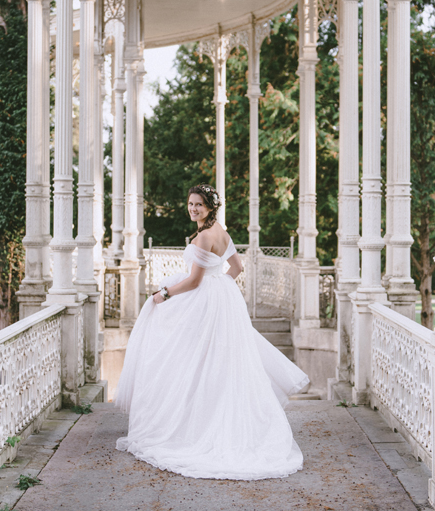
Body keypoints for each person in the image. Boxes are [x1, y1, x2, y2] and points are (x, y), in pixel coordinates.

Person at [114, 184, 310, 480]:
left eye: (199, 205)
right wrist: (221, 286)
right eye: (191, 204)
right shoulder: (221, 231)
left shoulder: (205, 236)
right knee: (214, 361)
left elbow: (193, 282)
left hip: (205, 302)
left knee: (192, 358)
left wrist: (164, 294)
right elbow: (237, 267)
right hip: (221, 301)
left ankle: (192, 425)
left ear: (209, 207)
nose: (193, 209)